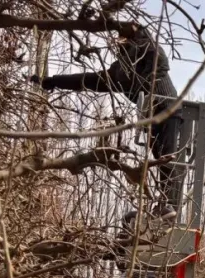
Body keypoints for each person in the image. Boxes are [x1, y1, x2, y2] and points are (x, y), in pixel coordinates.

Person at [32, 23, 183, 218]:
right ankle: (163, 205)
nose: (116, 41)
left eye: (121, 37)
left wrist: (134, 33)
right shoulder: (118, 71)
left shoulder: (145, 48)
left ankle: (168, 204)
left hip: (167, 106)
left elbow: (160, 61)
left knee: (166, 155)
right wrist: (53, 81)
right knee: (159, 157)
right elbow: (88, 80)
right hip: (149, 115)